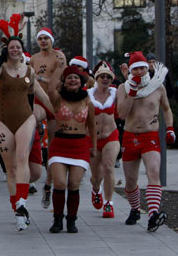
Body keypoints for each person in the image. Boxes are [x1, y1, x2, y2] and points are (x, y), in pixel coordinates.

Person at [0, 15, 53, 231]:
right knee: (11, 167)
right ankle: (17, 208)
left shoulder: (29, 71)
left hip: (25, 118)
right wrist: (2, 52)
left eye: (18, 47)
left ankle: (23, 202)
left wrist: (54, 112)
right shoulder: (0, 69)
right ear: (7, 49)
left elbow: (40, 94)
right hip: (3, 120)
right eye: (12, 47)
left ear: (23, 50)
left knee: (23, 157)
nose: (15, 50)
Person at [117, 51, 174, 232]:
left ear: (147, 68)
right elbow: (121, 114)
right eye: (136, 69)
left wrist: (170, 128)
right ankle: (135, 209)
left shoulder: (158, 87)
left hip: (150, 136)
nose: (140, 72)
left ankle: (153, 215)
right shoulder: (123, 88)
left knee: (154, 172)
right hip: (130, 136)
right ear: (131, 71)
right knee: (130, 181)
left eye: (142, 68)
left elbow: (166, 109)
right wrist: (132, 93)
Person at [47, 65, 97, 233]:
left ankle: (71, 220)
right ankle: (57, 219)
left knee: (74, 183)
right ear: (64, 81)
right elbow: (51, 86)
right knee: (60, 182)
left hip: (79, 146)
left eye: (76, 77)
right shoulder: (57, 98)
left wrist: (94, 147)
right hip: (60, 145)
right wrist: (60, 65)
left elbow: (91, 126)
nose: (73, 80)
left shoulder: (88, 102)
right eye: (69, 78)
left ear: (81, 81)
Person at [29, 27, 66, 209]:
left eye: (46, 38)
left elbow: (59, 80)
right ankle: (37, 129)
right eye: (40, 39)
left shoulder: (59, 57)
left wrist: (40, 78)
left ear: (52, 40)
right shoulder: (34, 58)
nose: (43, 41)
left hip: (54, 102)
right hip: (39, 101)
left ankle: (48, 185)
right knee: (34, 116)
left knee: (53, 148)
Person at [88, 61, 120, 218]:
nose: (105, 79)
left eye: (108, 77)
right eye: (102, 76)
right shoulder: (88, 95)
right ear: (97, 78)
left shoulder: (116, 93)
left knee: (108, 168)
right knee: (96, 176)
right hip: (92, 139)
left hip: (111, 135)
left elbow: (131, 91)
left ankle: (109, 203)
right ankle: (96, 189)